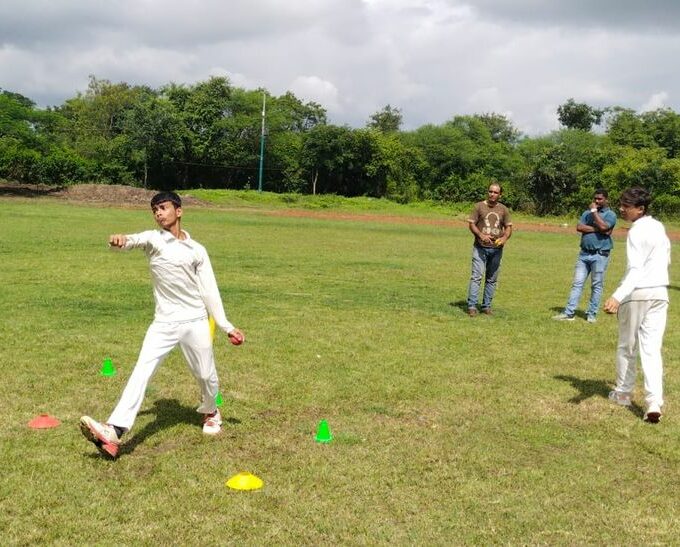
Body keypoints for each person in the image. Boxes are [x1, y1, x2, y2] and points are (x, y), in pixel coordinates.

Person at [80, 191, 244, 458]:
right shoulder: (153, 240)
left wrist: (226, 326)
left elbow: (210, 291)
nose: (158, 213)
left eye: (163, 208)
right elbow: (131, 241)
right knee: (141, 371)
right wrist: (118, 242)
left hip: (195, 321)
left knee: (205, 375)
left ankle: (211, 411)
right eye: (155, 209)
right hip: (164, 323)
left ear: (178, 211)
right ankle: (114, 430)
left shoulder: (197, 250)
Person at [603, 187, 670, 423]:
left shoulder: (636, 232)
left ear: (640, 209)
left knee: (627, 346)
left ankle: (623, 393)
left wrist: (617, 296)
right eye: (621, 204)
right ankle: (654, 402)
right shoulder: (659, 227)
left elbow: (635, 269)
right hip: (660, 293)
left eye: (626, 205)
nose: (621, 209)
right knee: (651, 350)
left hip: (638, 292)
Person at [552, 189, 617, 323]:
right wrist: (599, 229)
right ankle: (569, 313)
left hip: (600, 255)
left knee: (596, 285)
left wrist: (595, 214)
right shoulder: (586, 213)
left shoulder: (610, 214)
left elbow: (606, 227)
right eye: (595, 199)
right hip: (584, 254)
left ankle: (591, 314)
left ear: (606, 200)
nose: (597, 201)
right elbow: (580, 227)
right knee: (577, 284)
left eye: (600, 199)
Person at [465, 182, 513, 316]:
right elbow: (471, 224)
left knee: (491, 279)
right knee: (476, 277)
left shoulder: (503, 209)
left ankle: (486, 306)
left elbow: (508, 228)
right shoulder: (479, 206)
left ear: (500, 194)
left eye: (495, 192)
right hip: (480, 248)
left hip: (497, 250)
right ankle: (472, 306)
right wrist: (480, 235)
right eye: (490, 191)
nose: (492, 194)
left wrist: (503, 239)